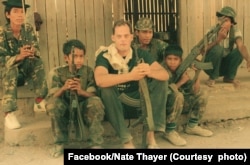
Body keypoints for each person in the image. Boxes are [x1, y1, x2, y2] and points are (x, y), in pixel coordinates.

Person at [94, 19, 169, 149]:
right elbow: (100, 79)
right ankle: (126, 141)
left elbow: (165, 75)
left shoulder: (140, 53)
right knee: (106, 89)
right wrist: (130, 76)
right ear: (113, 38)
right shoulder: (105, 55)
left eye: (126, 36)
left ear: (131, 37)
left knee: (160, 82)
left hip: (137, 100)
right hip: (115, 105)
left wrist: (149, 71)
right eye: (119, 36)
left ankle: (150, 136)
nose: (123, 39)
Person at [46, 39, 105, 158]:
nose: (79, 60)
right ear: (66, 58)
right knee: (53, 105)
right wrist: (64, 88)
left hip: (82, 109)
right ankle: (60, 143)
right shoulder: (57, 73)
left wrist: (80, 91)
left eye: (81, 56)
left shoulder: (88, 72)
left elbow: (93, 95)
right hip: (65, 109)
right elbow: (51, 98)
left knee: (96, 103)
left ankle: (95, 144)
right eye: (75, 56)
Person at [0, 0, 48, 130]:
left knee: (37, 61)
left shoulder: (28, 29)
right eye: (15, 12)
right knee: (11, 68)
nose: (20, 15)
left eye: (22, 12)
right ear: (8, 15)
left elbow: (37, 49)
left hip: (23, 72)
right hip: (6, 75)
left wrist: (32, 52)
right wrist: (18, 57)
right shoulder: (1, 33)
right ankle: (8, 113)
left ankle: (39, 99)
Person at [162, 44, 213, 146]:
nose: (172, 62)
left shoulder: (183, 69)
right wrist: (181, 82)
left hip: (180, 104)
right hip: (163, 106)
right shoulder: (161, 70)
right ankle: (169, 131)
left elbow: (195, 91)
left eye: (175, 59)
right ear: (165, 59)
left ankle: (192, 126)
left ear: (180, 60)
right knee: (178, 95)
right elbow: (164, 93)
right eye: (169, 59)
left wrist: (197, 74)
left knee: (203, 92)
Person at [204, 6, 250, 87]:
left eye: (226, 20)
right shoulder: (211, 31)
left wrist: (248, 59)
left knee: (239, 51)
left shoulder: (235, 31)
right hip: (210, 66)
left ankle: (229, 77)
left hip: (224, 66)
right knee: (218, 48)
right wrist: (218, 40)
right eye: (221, 20)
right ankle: (212, 77)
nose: (222, 23)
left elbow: (241, 46)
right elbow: (203, 51)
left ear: (231, 23)